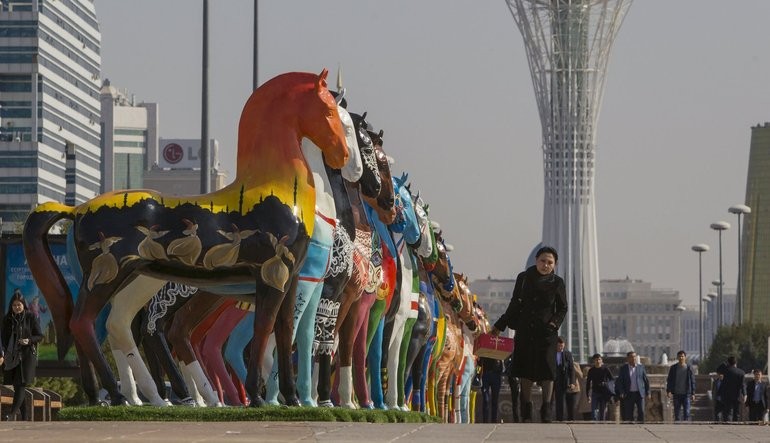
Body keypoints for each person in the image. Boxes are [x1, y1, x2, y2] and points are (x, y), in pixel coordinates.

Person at [491, 246, 567, 423]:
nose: (545, 265)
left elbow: (562, 308)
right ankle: (526, 409)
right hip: (525, 330)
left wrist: (554, 323)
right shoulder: (524, 278)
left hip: (547, 334)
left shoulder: (557, 282)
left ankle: (546, 409)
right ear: (536, 260)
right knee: (524, 370)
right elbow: (514, 304)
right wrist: (499, 325)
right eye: (542, 261)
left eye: (550, 262)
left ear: (554, 265)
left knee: (547, 372)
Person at [2, 291, 44, 421]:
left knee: (20, 384)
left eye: (19, 305)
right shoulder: (7, 319)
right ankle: (25, 417)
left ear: (23, 305)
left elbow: (39, 336)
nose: (16, 307)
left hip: (26, 357)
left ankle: (11, 414)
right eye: (14, 305)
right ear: (11, 306)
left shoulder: (30, 317)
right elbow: (3, 338)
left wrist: (29, 340)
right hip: (12, 356)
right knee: (17, 386)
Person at [615, 351, 650, 423]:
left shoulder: (641, 367)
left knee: (641, 411)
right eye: (631, 357)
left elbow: (646, 380)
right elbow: (620, 381)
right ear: (628, 358)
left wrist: (648, 392)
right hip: (628, 394)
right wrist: (621, 391)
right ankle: (630, 428)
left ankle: (641, 426)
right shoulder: (623, 368)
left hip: (639, 394)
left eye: (634, 356)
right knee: (629, 413)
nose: (633, 358)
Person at [666, 350, 696, 421]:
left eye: (682, 356)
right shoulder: (673, 368)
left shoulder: (689, 368)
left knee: (687, 413)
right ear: (677, 357)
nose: (681, 358)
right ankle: (677, 426)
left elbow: (692, 381)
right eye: (679, 356)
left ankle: (686, 426)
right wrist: (668, 391)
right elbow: (669, 380)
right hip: (676, 394)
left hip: (686, 394)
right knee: (677, 414)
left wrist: (693, 393)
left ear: (685, 357)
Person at [553, 336, 576, 421]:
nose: (560, 348)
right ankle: (559, 418)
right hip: (555, 380)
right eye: (559, 346)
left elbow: (572, 369)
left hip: (566, 380)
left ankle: (571, 418)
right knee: (558, 400)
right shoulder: (552, 353)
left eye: (562, 346)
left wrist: (572, 382)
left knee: (569, 401)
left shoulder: (568, 354)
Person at [585, 353, 614, 421]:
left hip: (604, 393)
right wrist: (587, 395)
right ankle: (595, 423)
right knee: (594, 411)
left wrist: (606, 384)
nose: (598, 361)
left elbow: (612, 379)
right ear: (593, 361)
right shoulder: (591, 370)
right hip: (595, 392)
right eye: (596, 360)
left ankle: (602, 425)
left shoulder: (605, 369)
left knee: (602, 412)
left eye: (599, 359)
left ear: (601, 360)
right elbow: (588, 383)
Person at [720, 356, 746, 422]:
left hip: (726, 395)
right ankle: (736, 425)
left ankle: (728, 424)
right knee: (736, 413)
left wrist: (725, 364)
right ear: (736, 362)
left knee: (728, 413)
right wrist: (745, 394)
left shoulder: (725, 370)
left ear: (728, 362)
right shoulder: (741, 372)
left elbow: (718, 369)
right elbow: (743, 385)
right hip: (737, 395)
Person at [478, 356, 503, 423]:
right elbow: (479, 361)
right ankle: (485, 421)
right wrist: (478, 373)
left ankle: (494, 421)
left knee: (495, 399)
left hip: (496, 374)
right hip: (485, 374)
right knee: (486, 399)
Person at [504, 354, 520, 422]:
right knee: (515, 400)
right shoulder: (511, 353)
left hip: (523, 376)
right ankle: (516, 419)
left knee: (523, 398)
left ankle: (524, 417)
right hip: (513, 377)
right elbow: (506, 362)